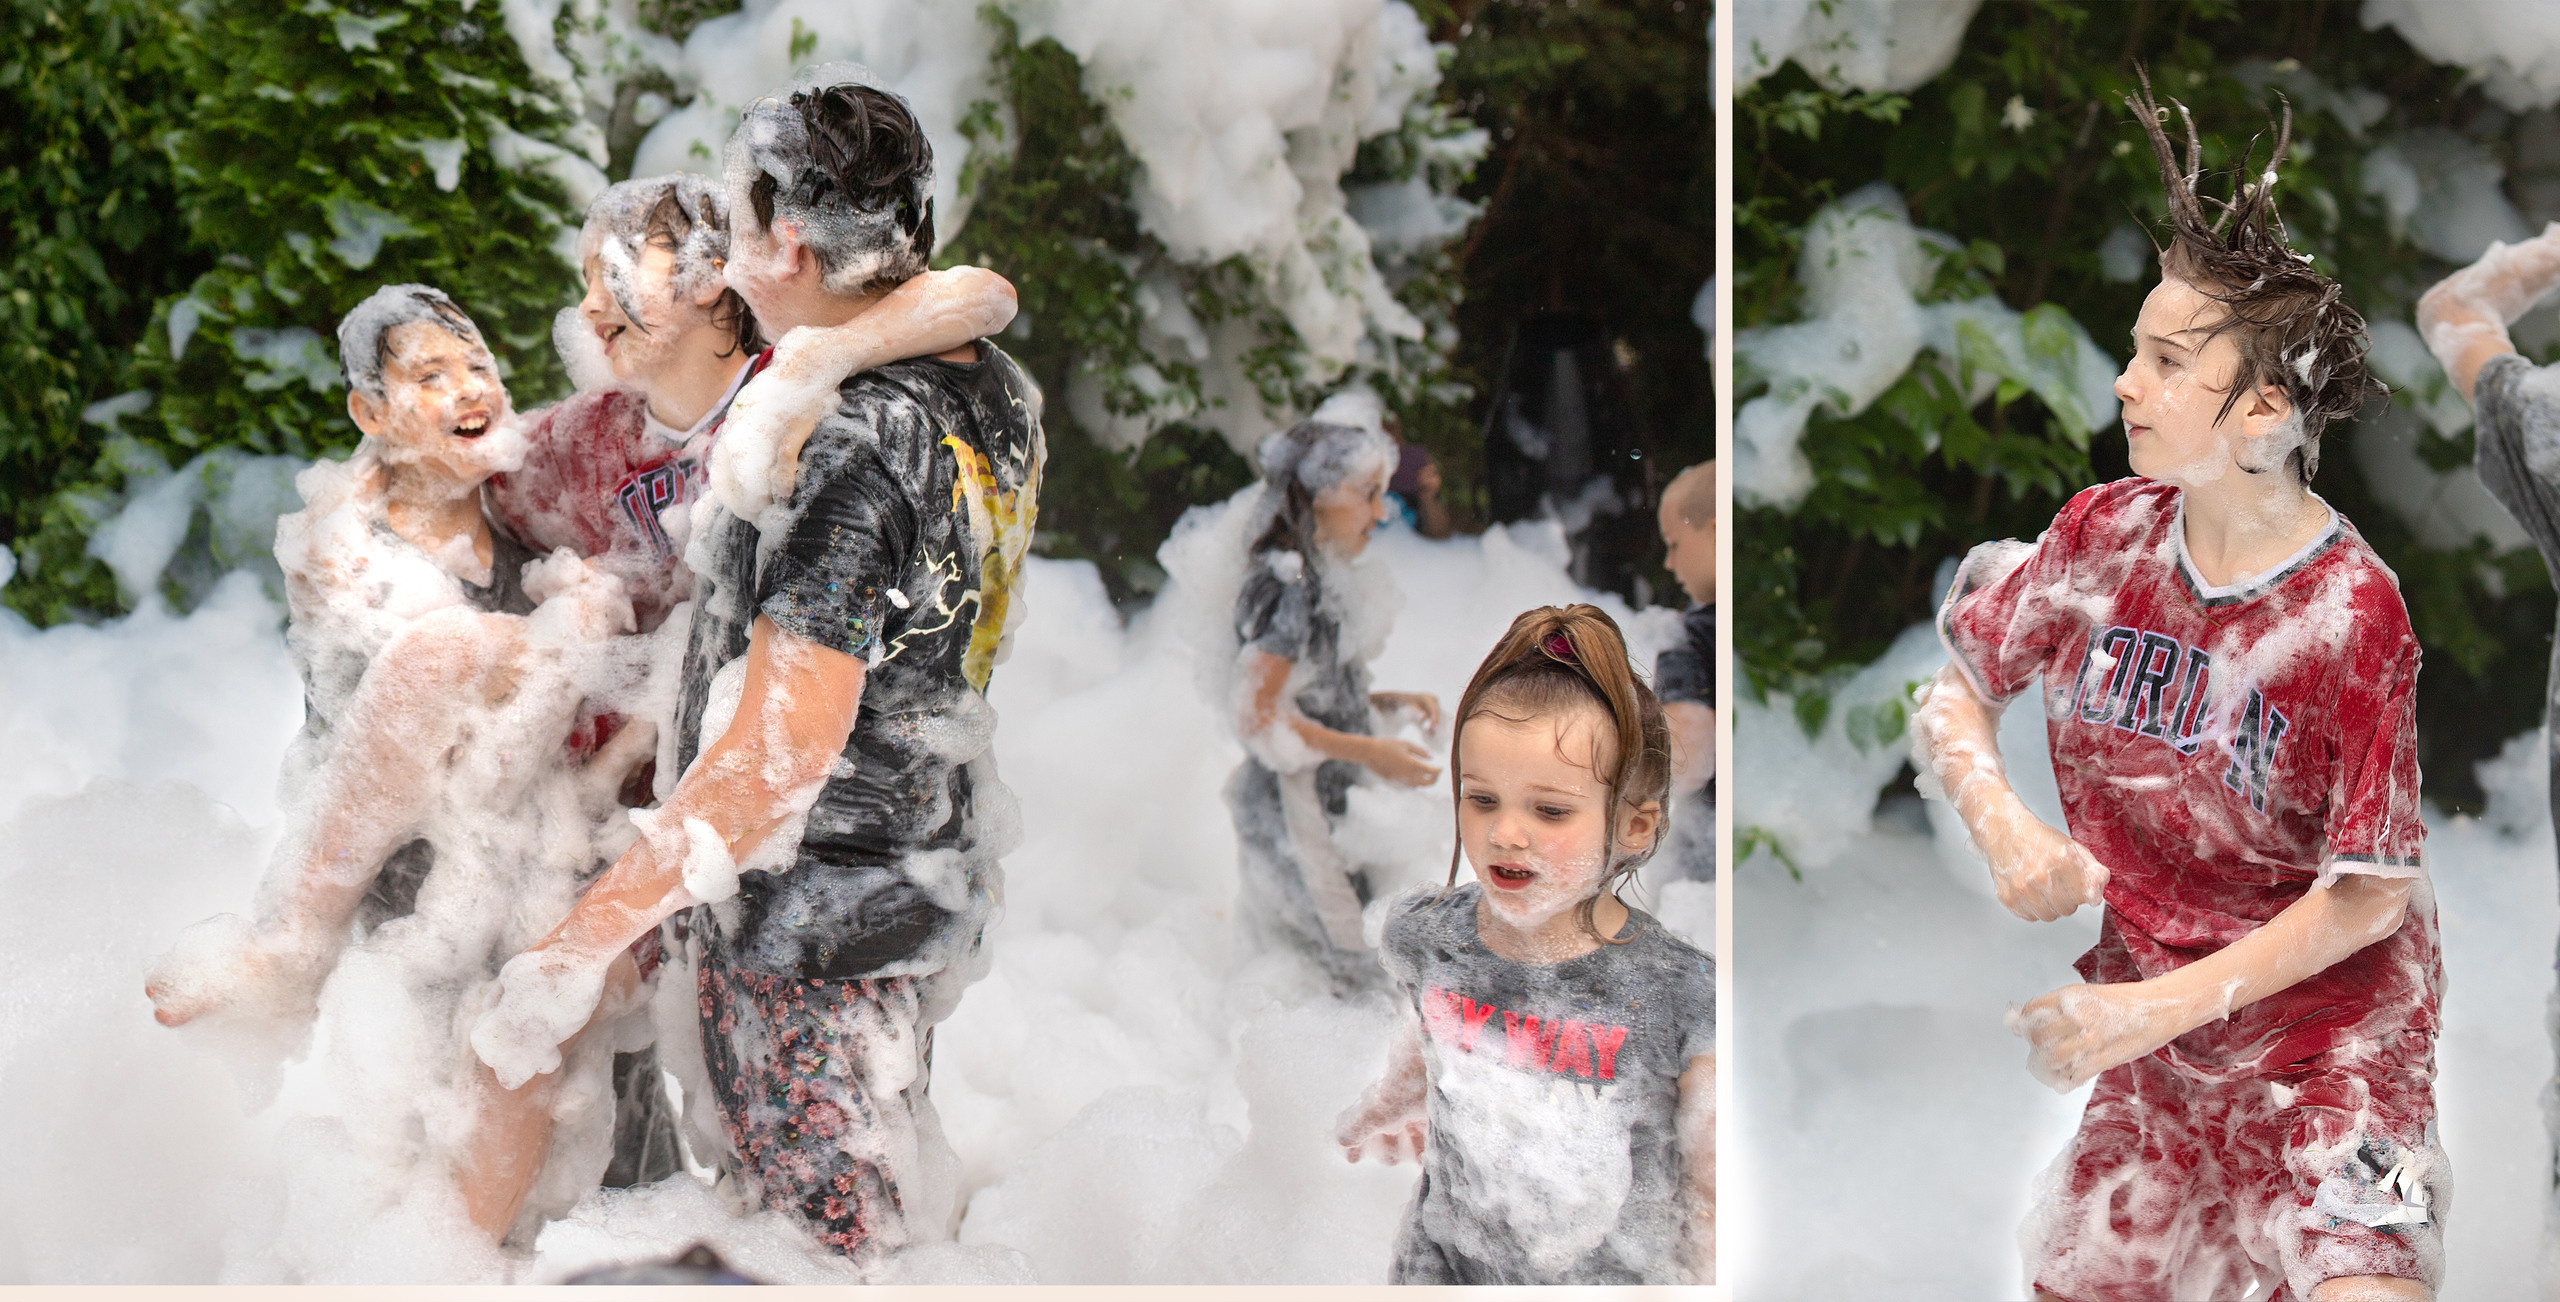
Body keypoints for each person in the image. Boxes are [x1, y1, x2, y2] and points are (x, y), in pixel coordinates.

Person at [465, 76, 1044, 1266]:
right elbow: (964, 301)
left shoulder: (843, 450)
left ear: (785, 238)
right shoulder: (993, 389)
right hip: (919, 867)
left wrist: (577, 946)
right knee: (862, 1214)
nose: (723, 235)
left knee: (830, 1251)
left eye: (738, 208)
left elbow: (775, 761)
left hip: (805, 934)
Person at [1914, 80, 2437, 1302]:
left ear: (2262, 410)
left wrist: (2145, 1012)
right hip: (2156, 1059)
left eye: (2163, 360)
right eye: (2133, 353)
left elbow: (2365, 901)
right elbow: (1954, 693)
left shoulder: (2351, 615)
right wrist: (2006, 832)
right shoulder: (2102, 539)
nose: (2124, 385)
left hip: (2334, 1050)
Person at [143, 283, 654, 1242]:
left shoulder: (519, 512)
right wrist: (565, 631)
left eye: (478, 366)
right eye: (431, 375)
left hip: (543, 874)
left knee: (605, 1181)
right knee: (438, 1155)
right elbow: (446, 719)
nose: (470, 389)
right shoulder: (347, 551)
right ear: (370, 414)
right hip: (418, 899)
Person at [1334, 604, 1715, 1284]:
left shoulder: (1679, 996)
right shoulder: (1426, 934)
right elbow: (1428, 1028)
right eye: (1482, 800)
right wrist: (1385, 1104)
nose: (1506, 833)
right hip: (1443, 1263)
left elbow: (1706, 1196)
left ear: (1633, 825)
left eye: (1550, 810)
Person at [1229, 416, 1444, 991]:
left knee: (1356, 958)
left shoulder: (1314, 575)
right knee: (1352, 962)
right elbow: (1257, 715)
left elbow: (1307, 694)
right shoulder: (1290, 588)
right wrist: (1373, 751)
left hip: (1321, 801)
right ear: (1320, 495)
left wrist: (1387, 704)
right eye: (1368, 494)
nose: (1380, 512)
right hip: (1294, 809)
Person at [1652, 459, 1716, 882]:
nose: (1669, 564)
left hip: (1707, 857)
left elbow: (1687, 756)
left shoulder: (1689, 637)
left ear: (1714, 532)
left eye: (1674, 544)